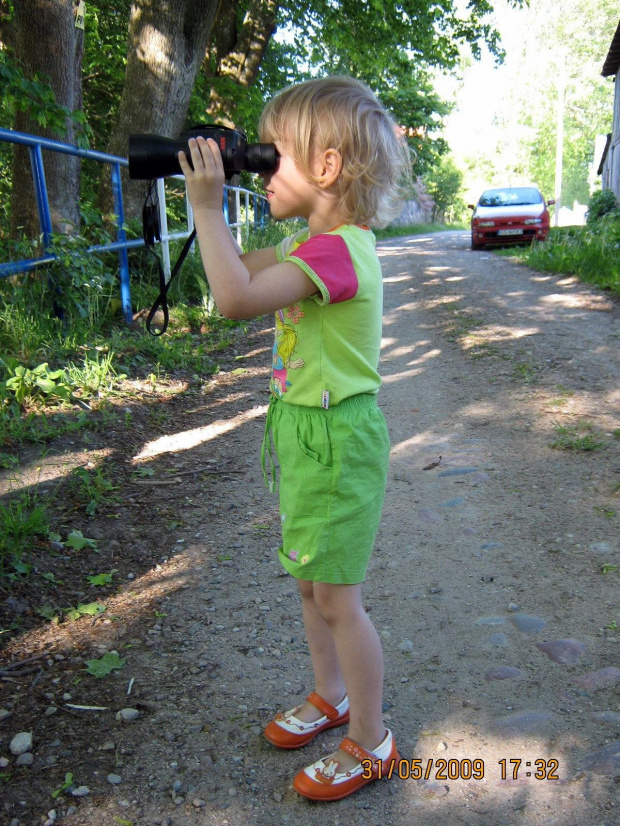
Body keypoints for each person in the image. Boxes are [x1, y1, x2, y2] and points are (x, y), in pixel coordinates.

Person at [178, 75, 410, 802]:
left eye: (270, 156)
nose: (257, 167)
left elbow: (234, 300)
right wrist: (215, 216)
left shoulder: (340, 253)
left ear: (329, 167)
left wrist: (206, 205)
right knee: (311, 584)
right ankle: (329, 694)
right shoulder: (310, 244)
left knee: (338, 597)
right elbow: (240, 271)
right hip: (309, 438)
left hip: (338, 445)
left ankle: (371, 739)